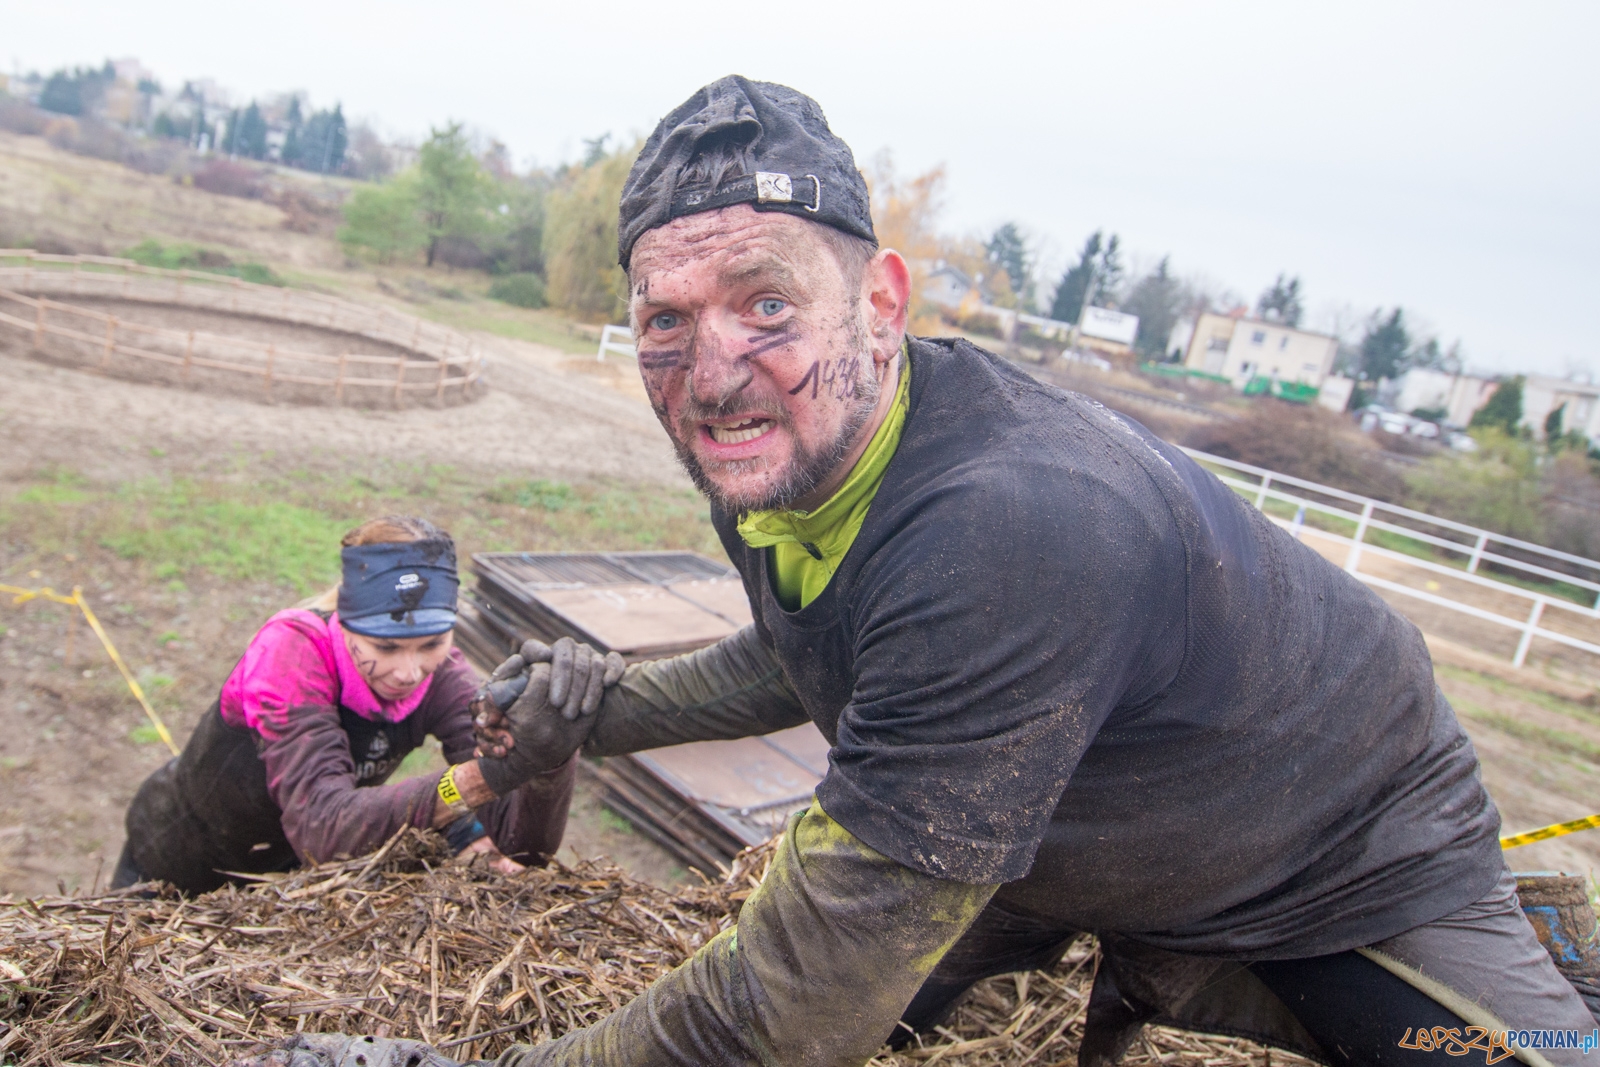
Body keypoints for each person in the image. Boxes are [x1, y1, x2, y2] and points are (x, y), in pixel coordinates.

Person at [247, 79, 1596, 1067]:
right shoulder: (788, 443)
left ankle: (1532, 959)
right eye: (666, 319)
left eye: (765, 303)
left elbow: (779, 1012)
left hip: (1335, 852)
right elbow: (813, 644)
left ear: (881, 305)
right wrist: (596, 709)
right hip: (1041, 842)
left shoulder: (1011, 530)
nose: (711, 372)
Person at [114, 515, 620, 895]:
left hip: (282, 875)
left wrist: (550, 757)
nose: (408, 671)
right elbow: (323, 824)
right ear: (346, 625)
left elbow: (521, 846)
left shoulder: (442, 673)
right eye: (385, 648)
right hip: (180, 856)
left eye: (431, 644)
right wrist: (480, 779)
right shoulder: (290, 653)